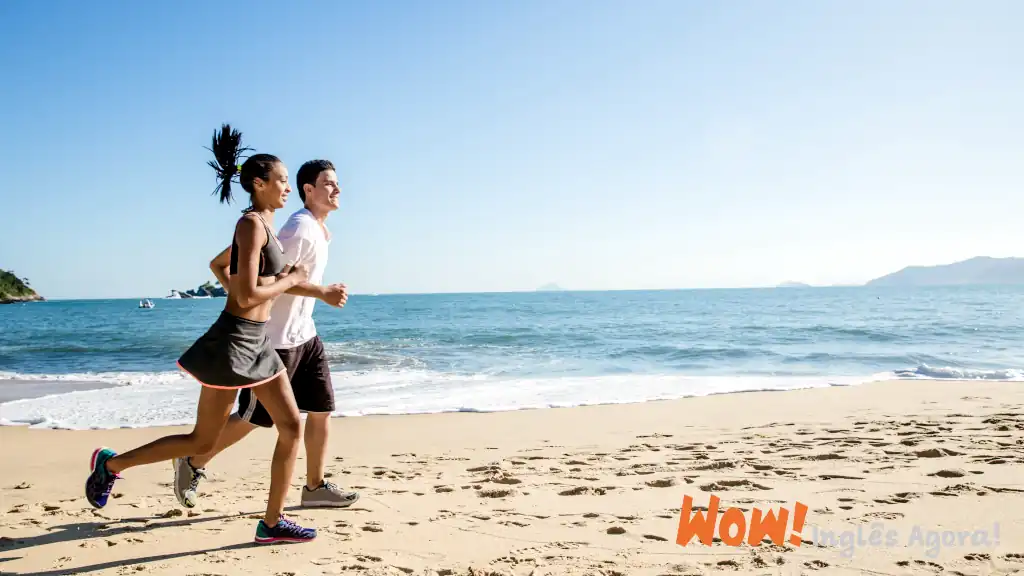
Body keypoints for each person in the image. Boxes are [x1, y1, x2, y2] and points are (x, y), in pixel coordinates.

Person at [84, 124, 317, 544]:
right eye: (282, 181)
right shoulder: (250, 225)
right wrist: (289, 278)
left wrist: (275, 284)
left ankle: (272, 522)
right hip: (232, 344)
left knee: (291, 426)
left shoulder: (264, 224)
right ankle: (111, 465)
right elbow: (245, 295)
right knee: (201, 438)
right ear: (260, 184)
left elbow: (218, 267)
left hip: (257, 341)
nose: (287, 188)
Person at [171, 159, 359, 509]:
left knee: (321, 409)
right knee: (253, 418)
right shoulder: (297, 229)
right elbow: (268, 279)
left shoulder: (318, 228)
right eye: (329, 183)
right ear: (309, 190)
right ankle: (193, 461)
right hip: (276, 342)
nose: (337, 189)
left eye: (337, 183)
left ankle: (315, 487)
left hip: (306, 336)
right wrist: (321, 292)